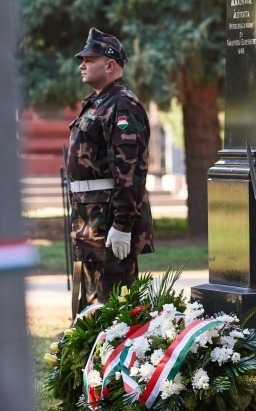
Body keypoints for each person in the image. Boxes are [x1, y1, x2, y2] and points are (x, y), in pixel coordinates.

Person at [67, 27, 153, 309]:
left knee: (113, 309)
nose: (82, 65)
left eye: (89, 60)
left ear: (110, 65)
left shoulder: (122, 105)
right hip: (91, 220)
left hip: (108, 222)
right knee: (94, 307)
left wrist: (122, 224)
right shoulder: (99, 103)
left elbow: (130, 170)